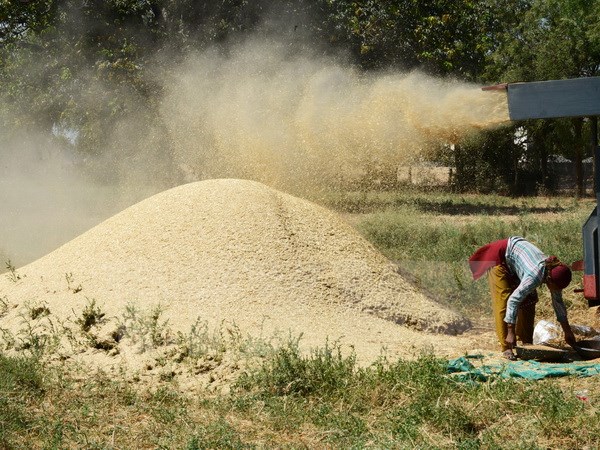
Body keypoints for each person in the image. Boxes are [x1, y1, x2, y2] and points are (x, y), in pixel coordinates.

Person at [469, 236, 576, 360]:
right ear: (548, 279)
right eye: (555, 288)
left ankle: (526, 344)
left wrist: (567, 331)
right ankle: (507, 346)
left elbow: (558, 303)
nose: (556, 291)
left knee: (529, 300)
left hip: (516, 259)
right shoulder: (534, 276)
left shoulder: (554, 273)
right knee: (503, 302)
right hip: (500, 258)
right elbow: (513, 300)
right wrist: (510, 332)